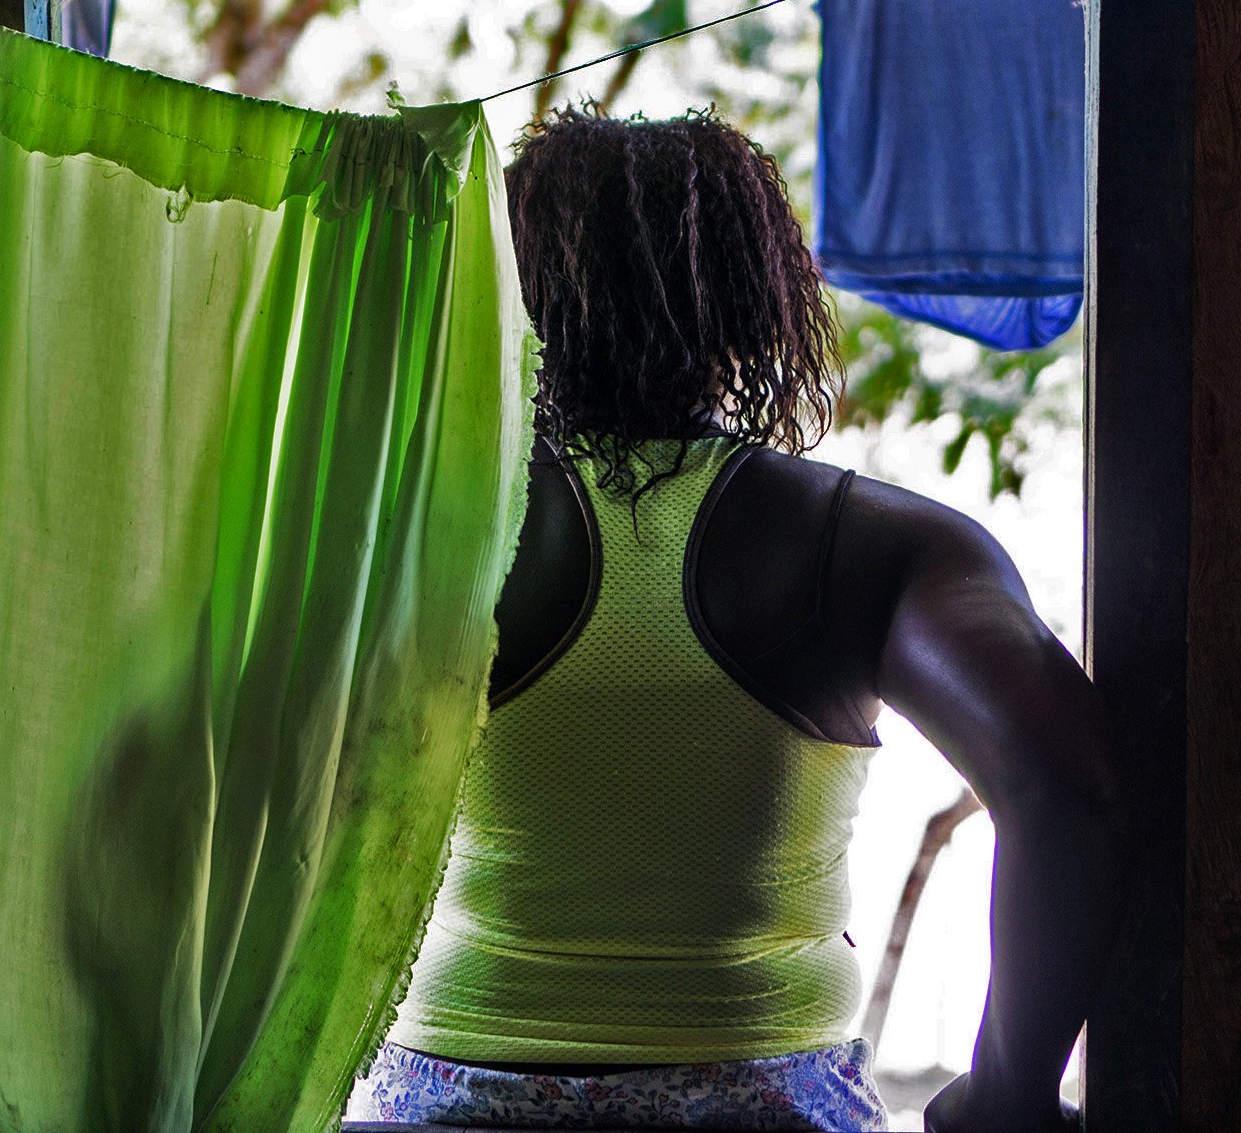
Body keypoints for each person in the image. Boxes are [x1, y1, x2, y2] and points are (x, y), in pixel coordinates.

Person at [352, 109, 1127, 1132]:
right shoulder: (875, 544)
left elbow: (178, 766)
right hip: (762, 1106)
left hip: (445, 1100)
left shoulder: (403, 532)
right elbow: (1063, 783)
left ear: (514, 293)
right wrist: (1009, 1090)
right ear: (759, 303)